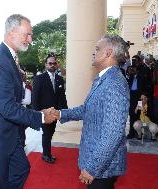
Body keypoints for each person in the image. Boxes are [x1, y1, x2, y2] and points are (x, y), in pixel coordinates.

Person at [0, 14, 55, 189]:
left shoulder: (10, 57)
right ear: (12, 32)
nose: (30, 39)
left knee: (21, 169)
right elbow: (8, 108)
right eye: (27, 34)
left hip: (8, 133)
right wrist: (40, 116)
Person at [52, 35, 130, 189]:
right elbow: (88, 109)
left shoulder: (114, 84)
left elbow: (113, 134)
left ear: (108, 53)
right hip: (99, 163)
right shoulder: (103, 79)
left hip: (103, 169)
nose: (93, 52)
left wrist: (93, 167)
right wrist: (60, 114)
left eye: (97, 49)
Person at [32, 53, 68, 164]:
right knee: (47, 133)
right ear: (46, 65)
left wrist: (64, 112)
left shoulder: (59, 79)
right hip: (45, 113)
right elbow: (35, 97)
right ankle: (46, 155)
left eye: (54, 63)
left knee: (51, 132)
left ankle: (47, 153)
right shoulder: (39, 79)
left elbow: (62, 96)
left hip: (56, 112)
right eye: (50, 63)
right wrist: (37, 113)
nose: (52, 65)